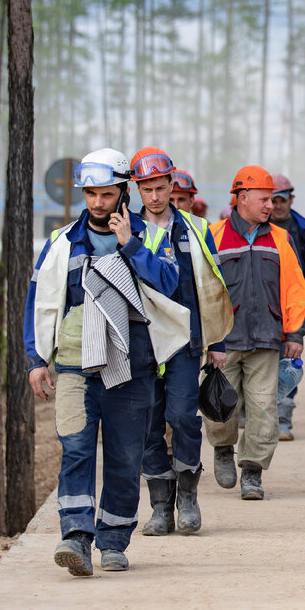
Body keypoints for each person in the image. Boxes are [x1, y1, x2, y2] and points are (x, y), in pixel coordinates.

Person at [24, 147, 180, 576]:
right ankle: (75, 536)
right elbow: (40, 300)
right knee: (75, 448)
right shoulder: (62, 242)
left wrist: (130, 245)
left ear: (122, 192)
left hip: (132, 366)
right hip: (75, 365)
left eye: (106, 193)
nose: (97, 202)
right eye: (90, 194)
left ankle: (113, 540)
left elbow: (169, 283)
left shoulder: (149, 236)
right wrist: (37, 358)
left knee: (125, 457)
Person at [131, 148, 230, 536]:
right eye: (147, 189)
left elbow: (214, 286)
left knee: (182, 419)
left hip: (186, 344)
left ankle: (187, 497)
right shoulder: (127, 230)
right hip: (141, 345)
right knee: (147, 426)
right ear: (137, 190)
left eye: (161, 187)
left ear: (172, 185)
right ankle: (160, 507)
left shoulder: (196, 229)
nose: (155, 197)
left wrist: (217, 341)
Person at [205, 165, 305, 499]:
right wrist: (207, 338)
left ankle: (252, 471)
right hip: (224, 341)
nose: (270, 206)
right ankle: (223, 448)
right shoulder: (214, 235)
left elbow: (293, 288)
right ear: (242, 198)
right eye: (264, 199)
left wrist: (294, 333)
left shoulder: (280, 237)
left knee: (264, 408)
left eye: (273, 200)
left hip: (266, 337)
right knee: (222, 405)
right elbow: (204, 289)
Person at [269, 174, 305, 441]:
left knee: (289, 360)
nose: (278, 206)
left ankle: (283, 418)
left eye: (282, 200)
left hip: (293, 306)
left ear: (291, 199)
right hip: (263, 303)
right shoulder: (257, 225)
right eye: (273, 200)